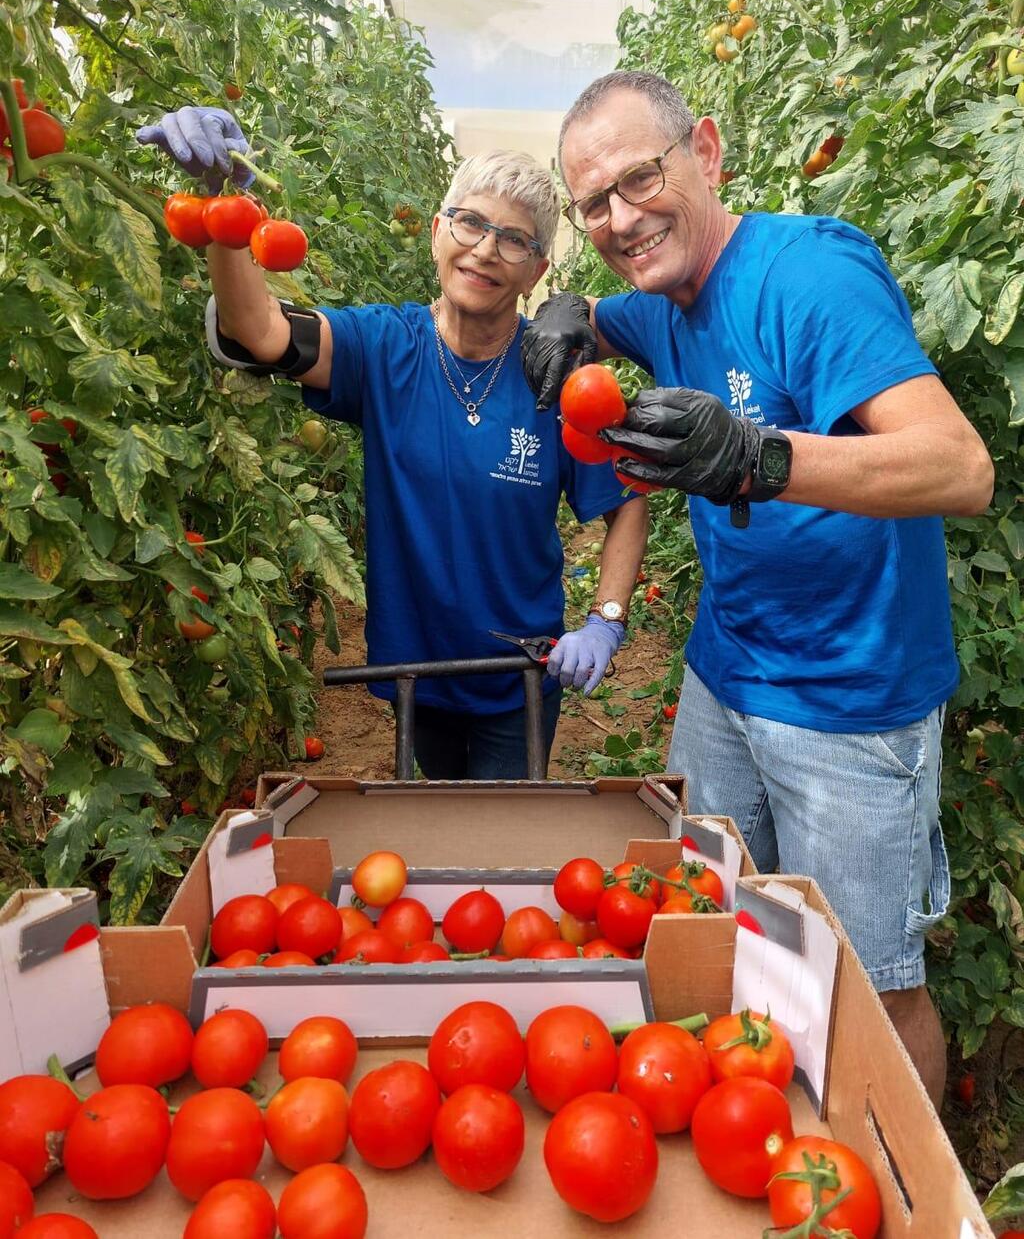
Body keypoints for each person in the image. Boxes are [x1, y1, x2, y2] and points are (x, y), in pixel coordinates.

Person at [522, 71, 994, 1104]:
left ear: (706, 150)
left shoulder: (805, 276)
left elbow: (959, 468)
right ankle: (757, 1117)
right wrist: (566, 312)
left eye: (638, 178)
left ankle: (905, 1173)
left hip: (850, 708)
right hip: (722, 681)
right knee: (708, 919)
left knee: (870, 984)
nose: (619, 218)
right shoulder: (663, 297)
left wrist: (759, 459)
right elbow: (603, 321)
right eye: (592, 203)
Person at [138, 106, 648, 780]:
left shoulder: (559, 376)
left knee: (501, 845)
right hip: (417, 669)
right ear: (437, 232)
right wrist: (224, 209)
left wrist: (605, 620)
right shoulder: (384, 347)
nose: (486, 249)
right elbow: (258, 330)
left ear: (537, 271)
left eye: (514, 240)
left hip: (519, 674)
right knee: (435, 826)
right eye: (470, 222)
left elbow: (627, 502)